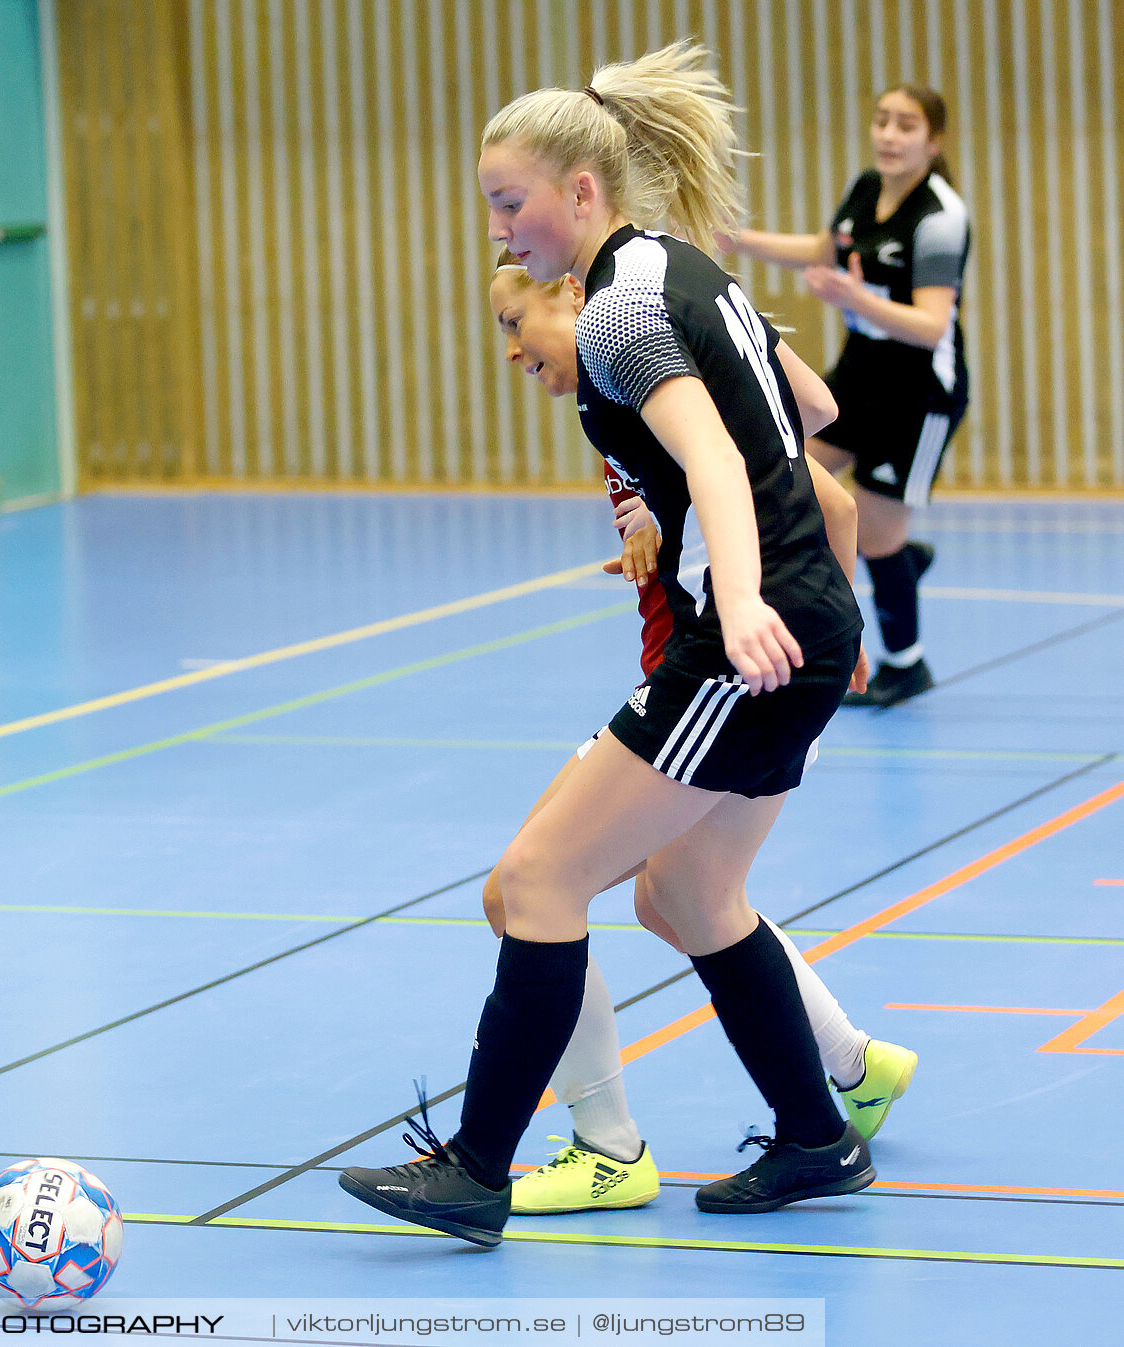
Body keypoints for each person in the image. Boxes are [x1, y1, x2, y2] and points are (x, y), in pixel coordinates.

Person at [339, 40, 876, 1248]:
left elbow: (723, 460)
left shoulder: (626, 308)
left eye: (509, 200)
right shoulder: (685, 273)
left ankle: (477, 1169)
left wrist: (733, 593)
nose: (498, 225)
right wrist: (686, 521)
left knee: (536, 882)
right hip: (807, 625)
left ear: (581, 193)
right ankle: (816, 1137)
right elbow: (817, 413)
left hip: (751, 642)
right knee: (688, 891)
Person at [485, 258, 916, 1217]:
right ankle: (848, 1070)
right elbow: (797, 411)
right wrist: (656, 532)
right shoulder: (626, 407)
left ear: (571, 293)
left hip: (722, 669)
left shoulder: (650, 365)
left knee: (528, 887)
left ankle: (605, 1148)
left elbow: (831, 493)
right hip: (715, 665)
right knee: (685, 895)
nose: (512, 351)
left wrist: (810, 637)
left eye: (519, 320)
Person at [721, 85, 970, 707]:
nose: (889, 134)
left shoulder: (940, 216)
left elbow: (933, 324)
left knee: (875, 536)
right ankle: (902, 558)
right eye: (882, 120)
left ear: (932, 142)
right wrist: (737, 241)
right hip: (860, 372)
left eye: (906, 125)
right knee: (788, 470)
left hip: (919, 389)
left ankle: (906, 664)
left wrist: (854, 300)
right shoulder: (865, 188)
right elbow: (822, 251)